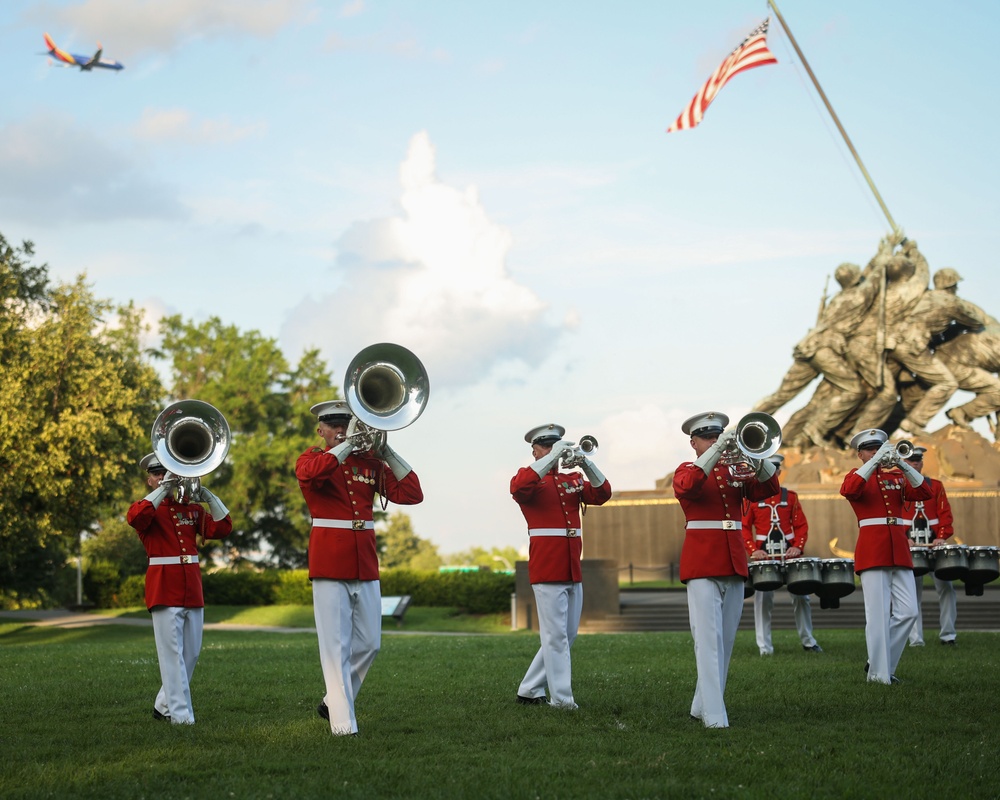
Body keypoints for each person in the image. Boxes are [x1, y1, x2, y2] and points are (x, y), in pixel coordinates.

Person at [296, 399, 424, 736]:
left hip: (365, 561)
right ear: (321, 429)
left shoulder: (369, 463)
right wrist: (347, 444)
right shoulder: (312, 458)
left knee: (370, 644)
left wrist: (387, 453)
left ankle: (331, 701)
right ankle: (343, 726)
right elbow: (313, 473)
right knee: (335, 646)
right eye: (333, 424)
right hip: (329, 561)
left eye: (346, 422)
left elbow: (412, 493)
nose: (340, 428)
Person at [673, 411, 779, 728]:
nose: (713, 440)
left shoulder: (735, 472)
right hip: (702, 561)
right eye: (707, 436)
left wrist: (754, 457)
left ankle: (701, 706)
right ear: (693, 442)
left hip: (733, 559)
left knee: (725, 642)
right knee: (707, 640)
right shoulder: (686, 470)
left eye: (717, 435)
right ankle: (715, 717)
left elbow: (770, 486)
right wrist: (719, 450)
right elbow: (688, 486)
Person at [127, 452, 233, 724]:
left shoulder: (192, 510)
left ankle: (163, 706)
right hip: (164, 587)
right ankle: (181, 717)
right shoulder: (148, 508)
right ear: (150, 480)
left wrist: (208, 496)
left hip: (191, 587)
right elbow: (135, 516)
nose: (165, 477)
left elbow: (222, 528)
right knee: (172, 655)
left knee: (191, 653)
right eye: (158, 473)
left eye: (169, 471)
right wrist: (164, 489)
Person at [511, 423, 612, 709]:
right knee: (556, 637)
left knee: (567, 635)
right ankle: (563, 699)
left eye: (557, 444)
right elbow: (519, 488)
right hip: (548, 566)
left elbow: (603, 493)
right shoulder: (529, 478)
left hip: (571, 566)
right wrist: (550, 459)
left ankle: (529, 689)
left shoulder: (572, 479)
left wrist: (586, 463)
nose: (555, 449)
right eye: (547, 445)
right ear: (536, 450)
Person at [840, 429, 932, 684]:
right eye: (870, 449)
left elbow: (925, 491)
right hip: (873, 550)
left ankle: (876, 661)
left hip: (899, 549)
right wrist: (874, 461)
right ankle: (881, 675)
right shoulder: (857, 476)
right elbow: (849, 490)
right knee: (878, 615)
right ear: (860, 454)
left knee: (909, 612)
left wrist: (901, 462)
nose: (876, 453)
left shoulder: (896, 478)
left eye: (879, 448)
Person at [742, 454, 822, 655]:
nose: (771, 472)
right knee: (762, 600)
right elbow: (743, 528)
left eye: (774, 468)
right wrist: (754, 550)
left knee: (801, 597)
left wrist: (797, 547)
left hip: (790, 557)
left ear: (778, 471)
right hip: (765, 559)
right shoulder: (751, 498)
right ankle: (765, 647)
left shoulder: (791, 497)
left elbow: (801, 526)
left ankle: (808, 642)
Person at [902, 446, 958, 647]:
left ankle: (948, 636)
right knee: (912, 592)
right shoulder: (897, 486)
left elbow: (946, 515)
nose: (915, 463)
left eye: (918, 460)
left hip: (935, 547)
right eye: (911, 460)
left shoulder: (935, 485)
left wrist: (941, 537)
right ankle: (916, 639)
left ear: (922, 463)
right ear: (904, 463)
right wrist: (902, 538)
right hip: (911, 547)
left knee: (947, 589)